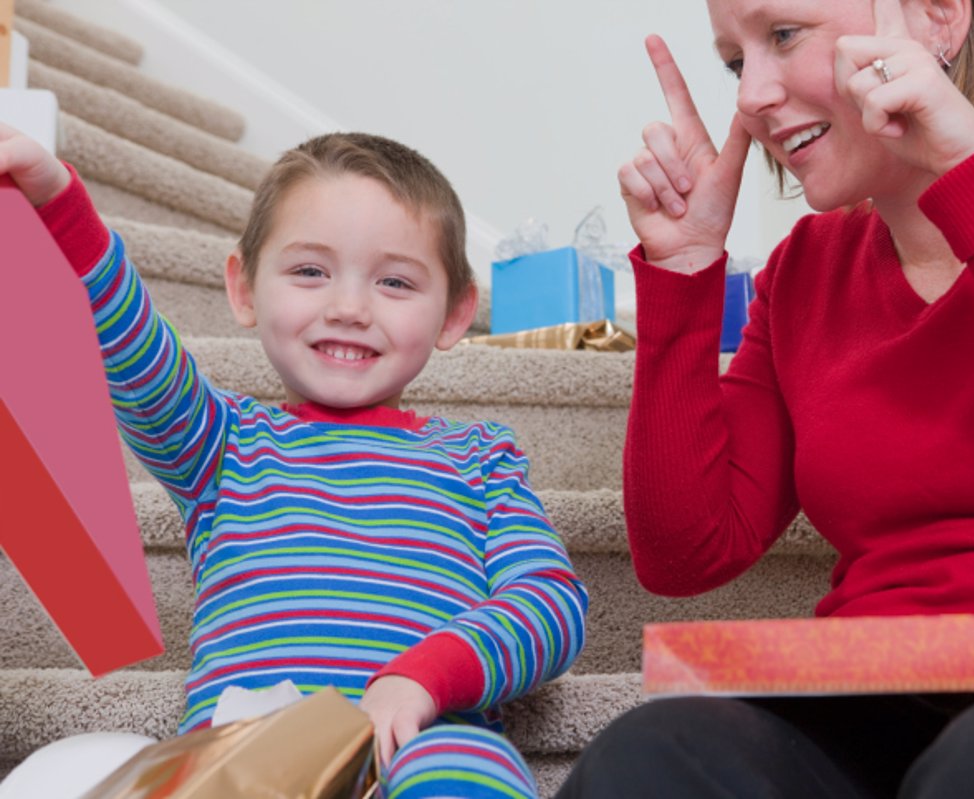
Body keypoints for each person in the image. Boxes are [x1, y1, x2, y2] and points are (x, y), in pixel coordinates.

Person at [557, 0, 974, 796]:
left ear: (939, 15)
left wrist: (970, 171)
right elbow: (685, 551)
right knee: (654, 752)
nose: (752, 95)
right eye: (734, 62)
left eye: (783, 36)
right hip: (869, 702)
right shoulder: (806, 270)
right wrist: (685, 271)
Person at [0, 126, 588, 799]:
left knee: (467, 759)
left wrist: (427, 676)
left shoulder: (482, 457)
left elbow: (550, 602)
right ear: (244, 289)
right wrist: (57, 202)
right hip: (250, 758)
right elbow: (138, 357)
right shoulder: (221, 444)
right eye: (310, 271)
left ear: (455, 314)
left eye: (395, 281)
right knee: (89, 769)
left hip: (422, 742)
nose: (348, 307)